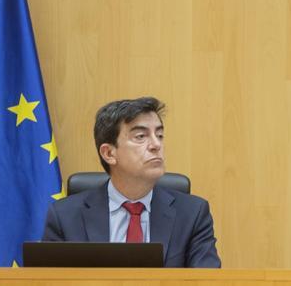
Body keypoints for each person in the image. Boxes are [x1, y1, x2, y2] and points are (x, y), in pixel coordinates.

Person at [41, 97, 221, 268]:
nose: (156, 145)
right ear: (109, 154)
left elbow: (205, 281)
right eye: (141, 136)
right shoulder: (65, 216)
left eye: (159, 135)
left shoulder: (193, 214)